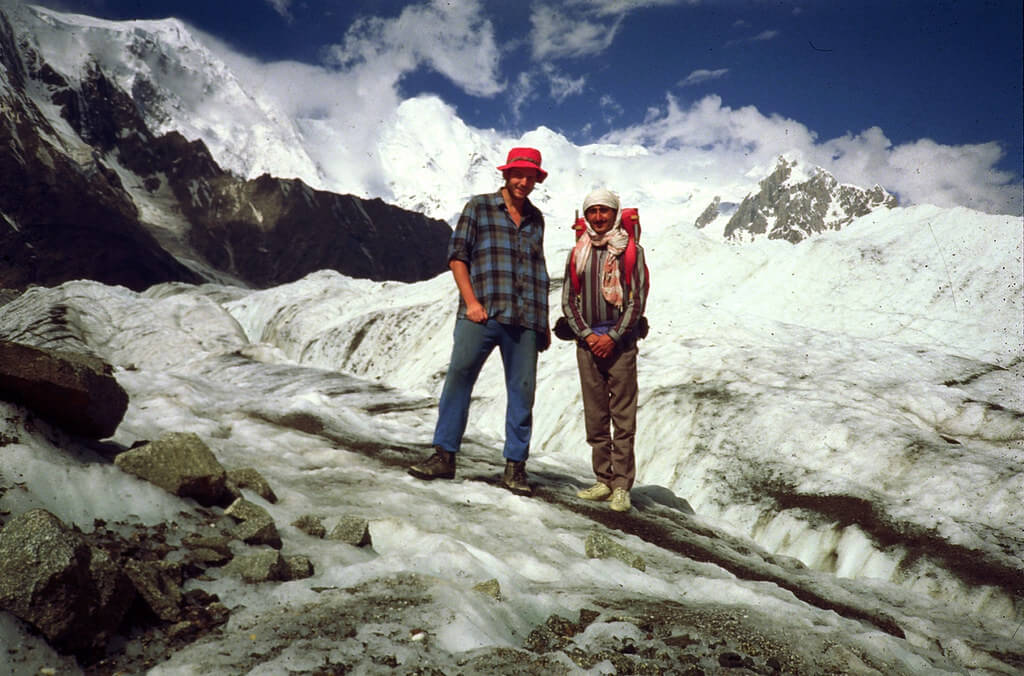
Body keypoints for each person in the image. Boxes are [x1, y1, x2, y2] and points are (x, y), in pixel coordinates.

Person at [408, 147, 551, 496]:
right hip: (481, 313)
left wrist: (542, 323)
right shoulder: (480, 207)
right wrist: (471, 302)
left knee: (523, 392)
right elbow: (458, 257)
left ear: (537, 179)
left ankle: (515, 468)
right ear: (506, 174)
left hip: (525, 319)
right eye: (518, 174)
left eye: (530, 176)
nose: (523, 181)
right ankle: (444, 456)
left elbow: (538, 272)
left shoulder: (536, 219)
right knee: (458, 379)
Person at [561, 188, 647, 511]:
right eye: (592, 211)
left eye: (604, 211)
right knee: (596, 415)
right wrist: (586, 334)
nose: (598, 217)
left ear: (615, 213)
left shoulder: (631, 252)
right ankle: (603, 479)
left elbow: (636, 301)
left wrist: (611, 336)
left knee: (623, 417)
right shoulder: (577, 253)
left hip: (620, 345)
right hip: (588, 345)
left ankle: (622, 485)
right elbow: (569, 301)